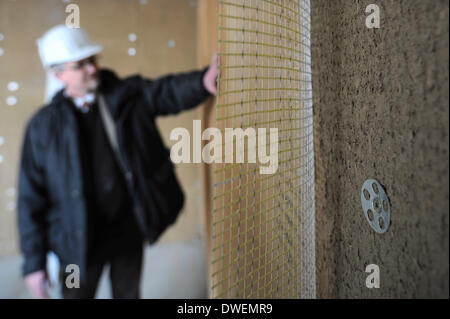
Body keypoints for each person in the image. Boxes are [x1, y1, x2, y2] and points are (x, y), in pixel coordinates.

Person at [17, 25, 218, 299]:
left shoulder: (123, 96)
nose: (92, 69)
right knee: (75, 295)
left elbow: (163, 92)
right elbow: (31, 199)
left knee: (128, 294)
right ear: (58, 74)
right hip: (76, 249)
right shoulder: (42, 128)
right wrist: (34, 265)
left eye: (92, 60)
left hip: (127, 235)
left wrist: (202, 82)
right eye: (81, 65)